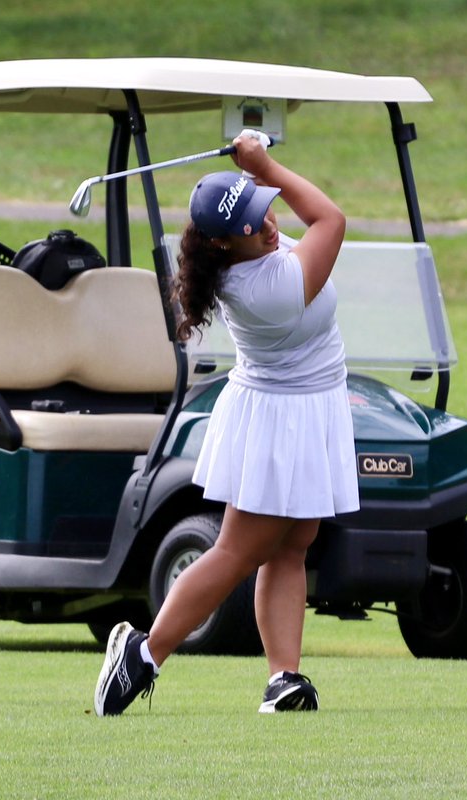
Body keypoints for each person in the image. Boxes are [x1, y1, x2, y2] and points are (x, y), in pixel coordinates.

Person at [94, 131, 358, 716]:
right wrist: (265, 164)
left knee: (292, 546)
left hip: (307, 406)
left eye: (266, 213)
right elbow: (331, 220)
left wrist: (253, 177)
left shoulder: (251, 250)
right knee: (240, 549)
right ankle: (143, 653)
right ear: (221, 245)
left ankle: (283, 679)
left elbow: (278, 219)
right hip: (278, 418)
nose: (269, 227)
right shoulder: (268, 287)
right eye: (253, 225)